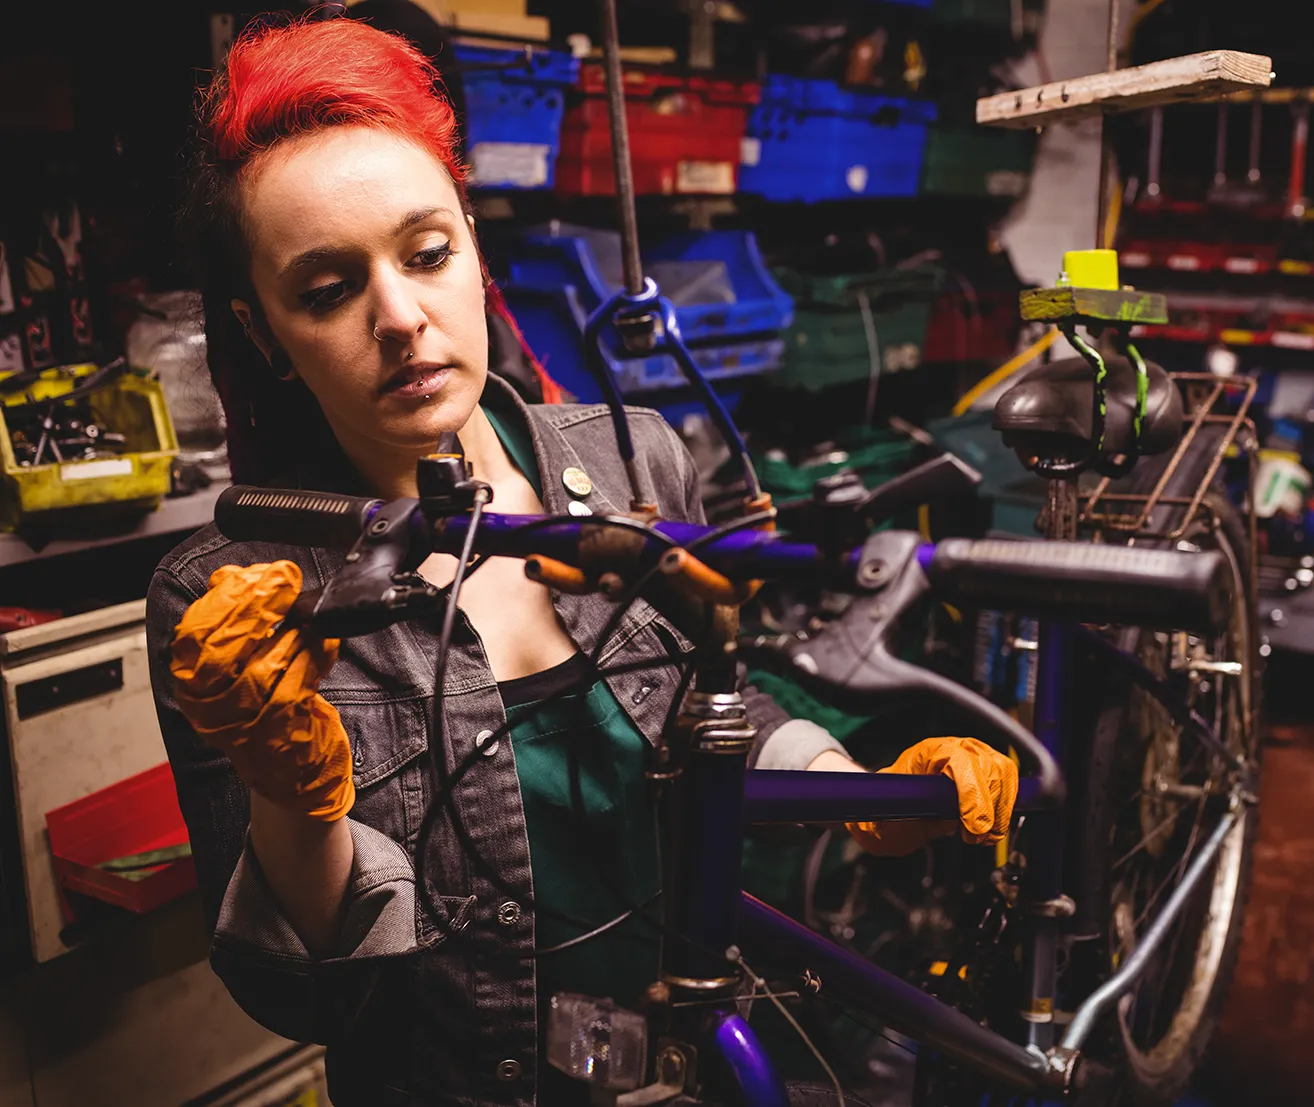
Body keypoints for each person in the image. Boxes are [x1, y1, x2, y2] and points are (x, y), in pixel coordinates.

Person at [149, 15, 1018, 1106]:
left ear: (472, 241)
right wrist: (292, 792)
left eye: (426, 254)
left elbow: (716, 711)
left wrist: (866, 791)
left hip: (688, 1059)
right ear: (264, 330)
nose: (401, 318)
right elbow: (301, 1000)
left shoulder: (627, 456)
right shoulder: (228, 597)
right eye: (327, 291)